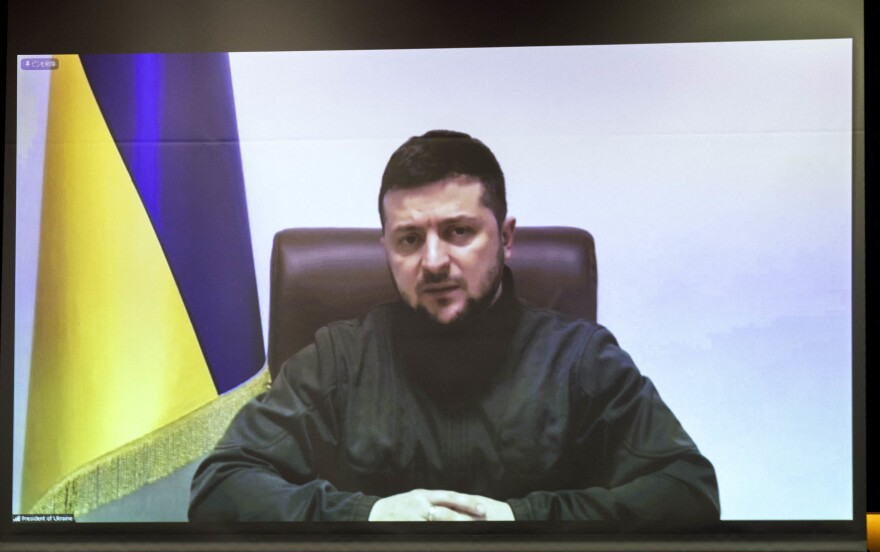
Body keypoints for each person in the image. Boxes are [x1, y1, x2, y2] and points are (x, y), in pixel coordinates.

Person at [189, 130, 720, 523]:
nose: (434, 261)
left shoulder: (578, 358)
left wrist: (521, 522)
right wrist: (367, 517)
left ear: (507, 238)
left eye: (459, 231)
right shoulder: (338, 359)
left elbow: (688, 492)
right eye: (409, 240)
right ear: (386, 250)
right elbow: (219, 489)